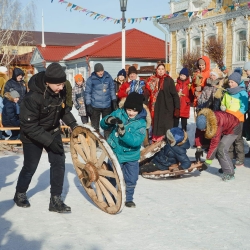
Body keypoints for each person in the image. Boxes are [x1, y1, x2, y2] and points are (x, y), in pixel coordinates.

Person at [14, 63, 78, 213]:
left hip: (53, 130)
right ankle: (20, 193)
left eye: (63, 84)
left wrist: (74, 124)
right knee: (30, 167)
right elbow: (29, 126)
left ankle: (55, 200)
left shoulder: (60, 91)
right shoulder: (32, 97)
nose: (61, 87)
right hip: (32, 135)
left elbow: (62, 110)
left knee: (59, 163)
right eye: (58, 84)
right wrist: (49, 142)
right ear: (47, 82)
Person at [100, 92, 147, 208]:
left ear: (139, 111)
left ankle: (128, 198)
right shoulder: (119, 113)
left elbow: (136, 141)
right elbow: (103, 125)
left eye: (134, 111)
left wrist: (123, 134)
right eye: (129, 109)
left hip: (131, 156)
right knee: (113, 176)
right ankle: (109, 196)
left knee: (131, 178)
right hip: (115, 152)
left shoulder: (141, 123)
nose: (131, 113)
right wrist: (107, 120)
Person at [195, 108, 241, 181]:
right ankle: (228, 166)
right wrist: (198, 147)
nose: (202, 131)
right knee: (219, 149)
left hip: (234, 127)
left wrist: (208, 161)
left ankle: (230, 173)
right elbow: (198, 134)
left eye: (204, 129)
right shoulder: (201, 120)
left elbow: (214, 144)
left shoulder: (215, 123)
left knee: (221, 149)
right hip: (225, 127)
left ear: (208, 124)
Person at [145, 63, 180, 142]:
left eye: (162, 69)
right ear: (156, 70)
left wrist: (177, 108)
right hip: (156, 106)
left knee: (166, 124)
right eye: (159, 69)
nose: (160, 71)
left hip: (167, 106)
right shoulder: (152, 80)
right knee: (157, 124)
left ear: (165, 70)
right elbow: (147, 92)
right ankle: (156, 140)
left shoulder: (169, 80)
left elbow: (175, 95)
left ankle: (167, 140)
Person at [220, 72, 248, 167]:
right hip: (228, 120)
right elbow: (223, 102)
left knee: (237, 139)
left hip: (237, 120)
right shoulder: (227, 92)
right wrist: (223, 106)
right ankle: (230, 157)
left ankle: (240, 158)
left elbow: (244, 107)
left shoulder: (242, 93)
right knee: (228, 138)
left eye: (232, 82)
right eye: (229, 82)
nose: (230, 84)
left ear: (237, 82)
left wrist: (236, 115)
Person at [85, 63, 117, 139]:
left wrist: (114, 100)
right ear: (95, 72)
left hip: (107, 105)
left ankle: (108, 140)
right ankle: (95, 140)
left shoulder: (108, 77)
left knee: (107, 124)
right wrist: (88, 104)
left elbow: (112, 90)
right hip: (95, 105)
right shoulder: (91, 79)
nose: (101, 73)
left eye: (102, 71)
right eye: (98, 71)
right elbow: (87, 93)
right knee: (95, 125)